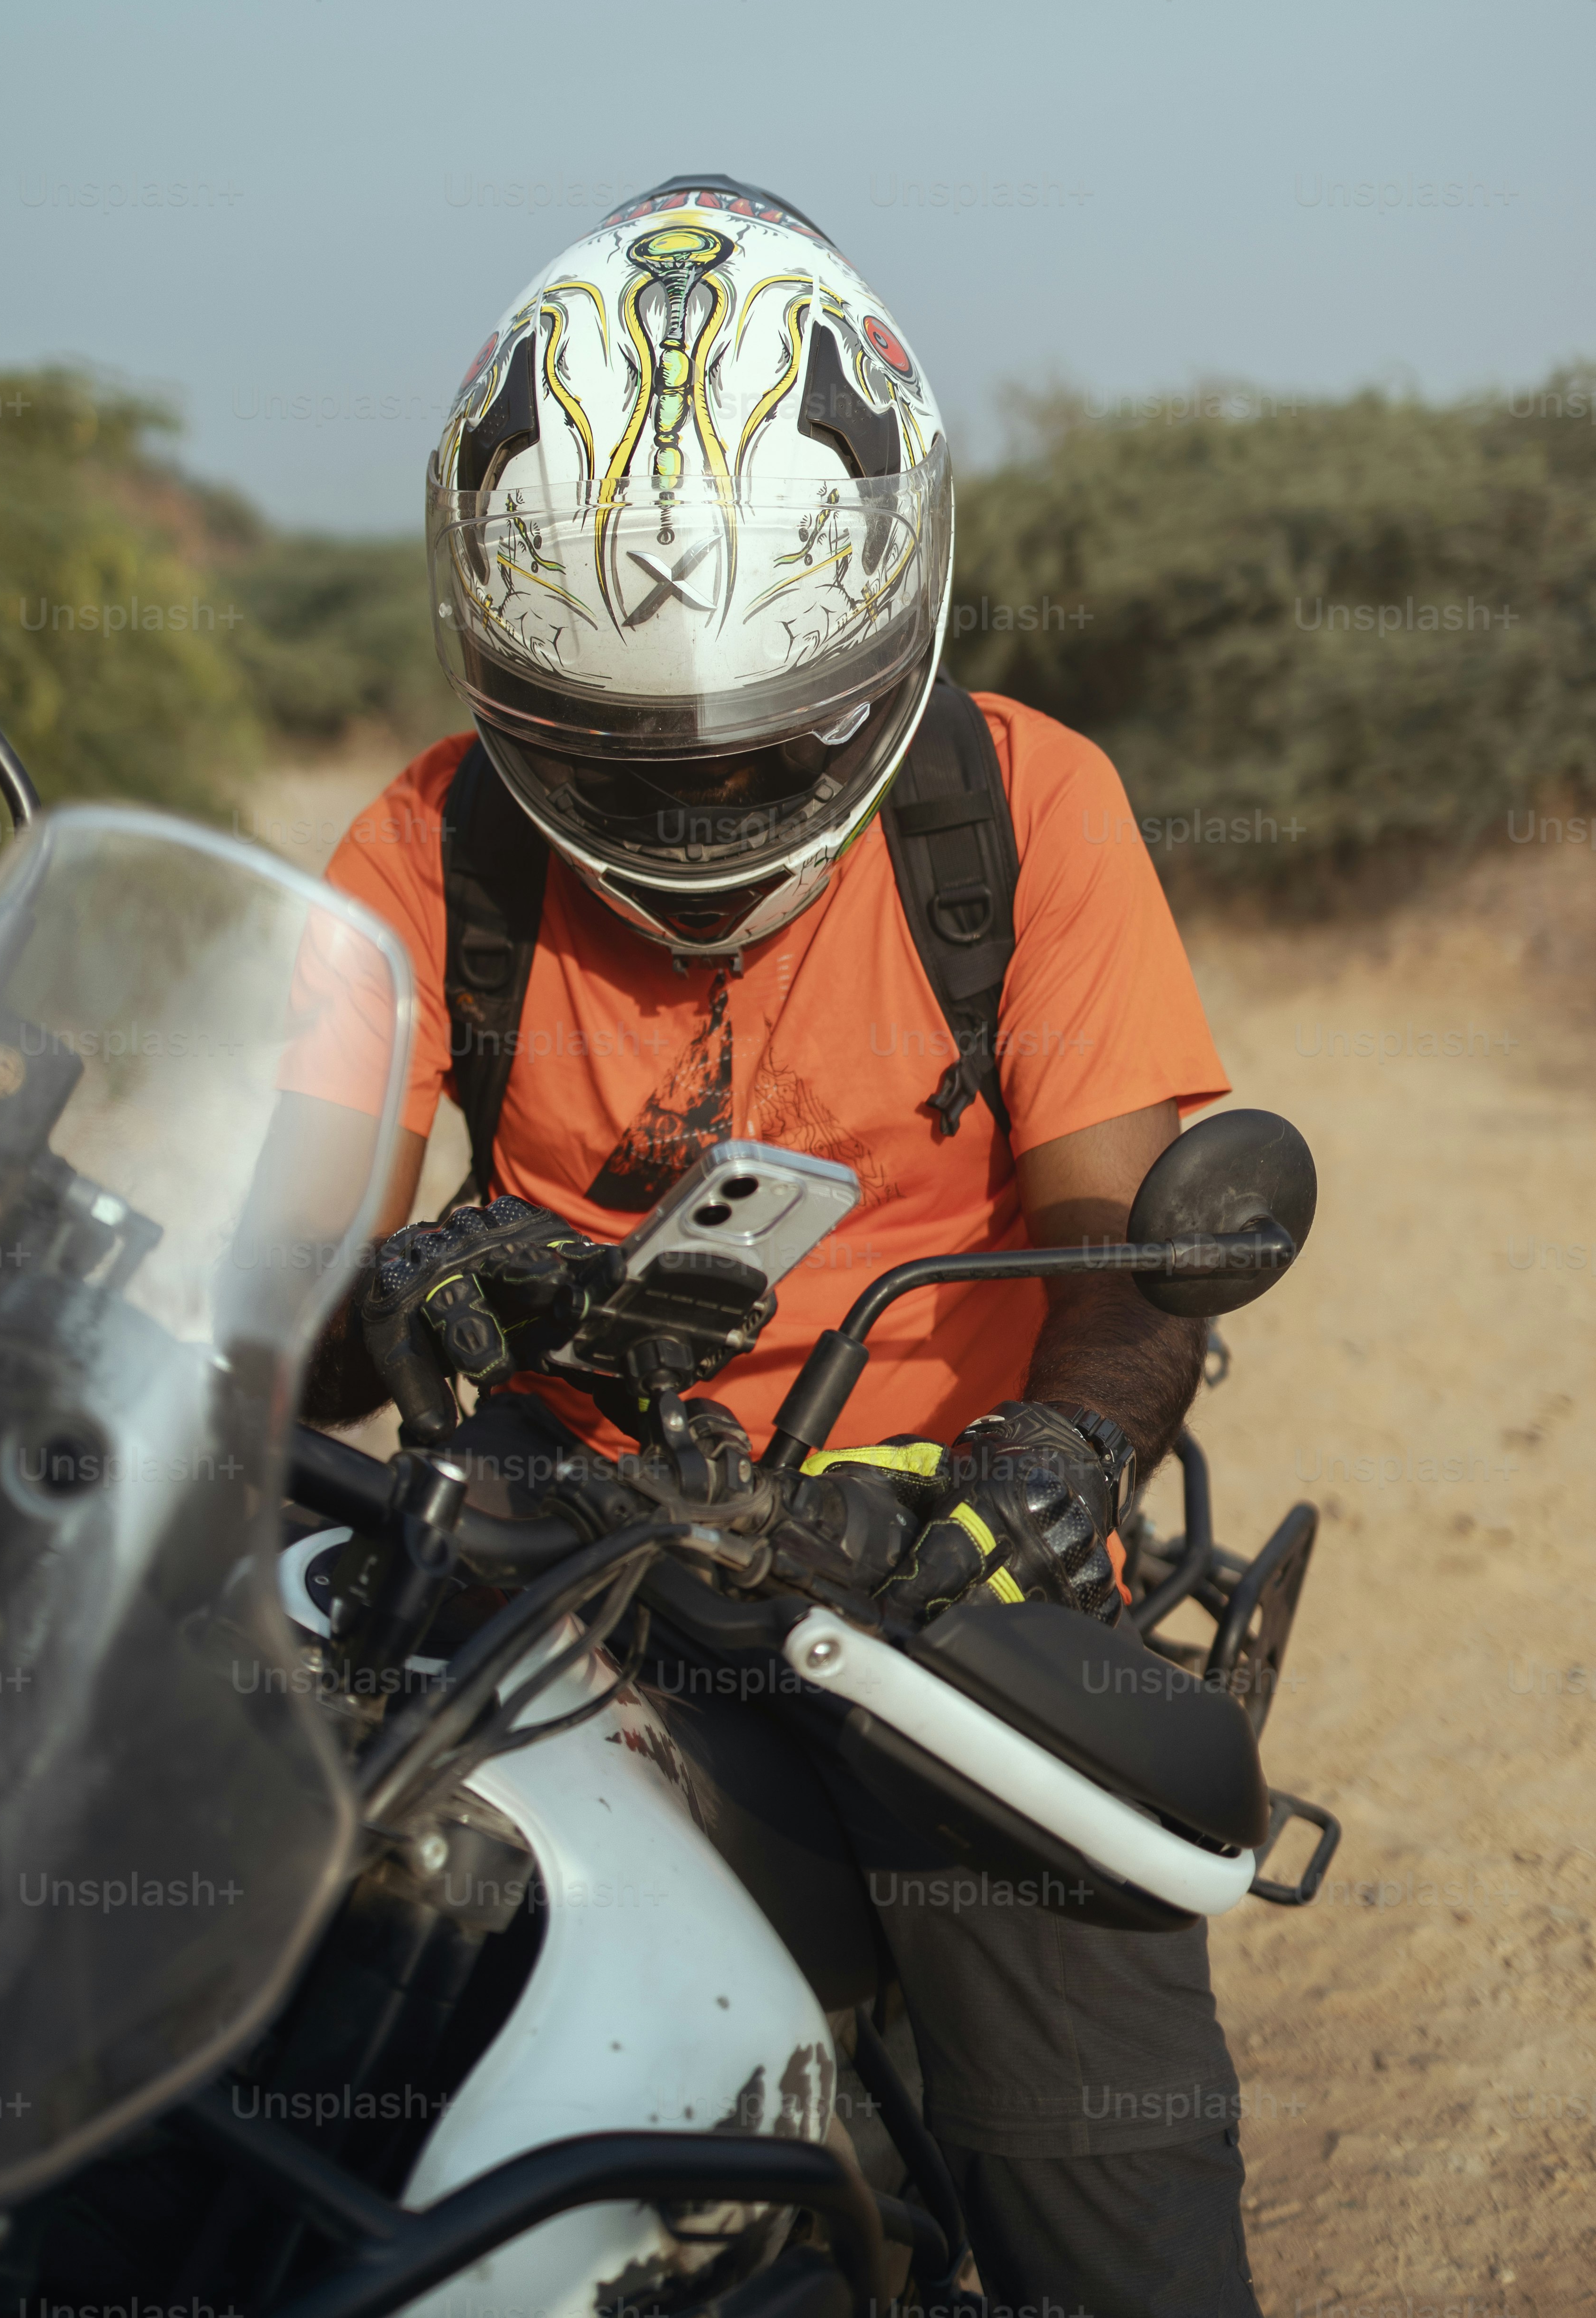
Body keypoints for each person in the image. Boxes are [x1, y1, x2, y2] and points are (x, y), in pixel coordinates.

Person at [318, 174, 1262, 2318]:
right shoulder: (421, 850)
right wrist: (389, 1294)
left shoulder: (1024, 810)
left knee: (1095, 2159)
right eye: (616, 766)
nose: (694, 818)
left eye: (763, 750)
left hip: (941, 1578)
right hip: (543, 1559)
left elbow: (1120, 1249)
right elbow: (265, 1304)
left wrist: (1054, 1464)